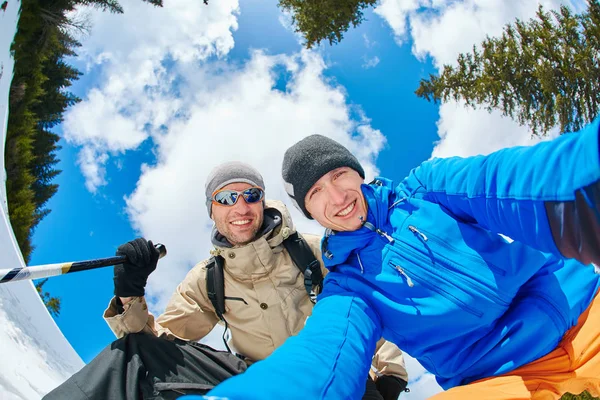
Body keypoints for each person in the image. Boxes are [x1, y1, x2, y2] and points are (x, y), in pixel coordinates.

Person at [203, 119, 600, 400]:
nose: (337, 197)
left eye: (340, 174)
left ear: (357, 172)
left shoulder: (425, 189)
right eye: (316, 193)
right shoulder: (348, 286)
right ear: (308, 210)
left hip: (578, 308)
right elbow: (324, 355)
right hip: (498, 377)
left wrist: (588, 173)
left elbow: (506, 184)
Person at [43, 161, 408, 400]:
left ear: (262, 203)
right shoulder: (208, 279)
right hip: (258, 383)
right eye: (227, 197)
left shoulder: (313, 252)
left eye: (251, 195)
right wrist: (129, 293)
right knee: (133, 357)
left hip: (335, 377)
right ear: (212, 210)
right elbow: (158, 349)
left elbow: (369, 307)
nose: (241, 207)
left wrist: (389, 378)